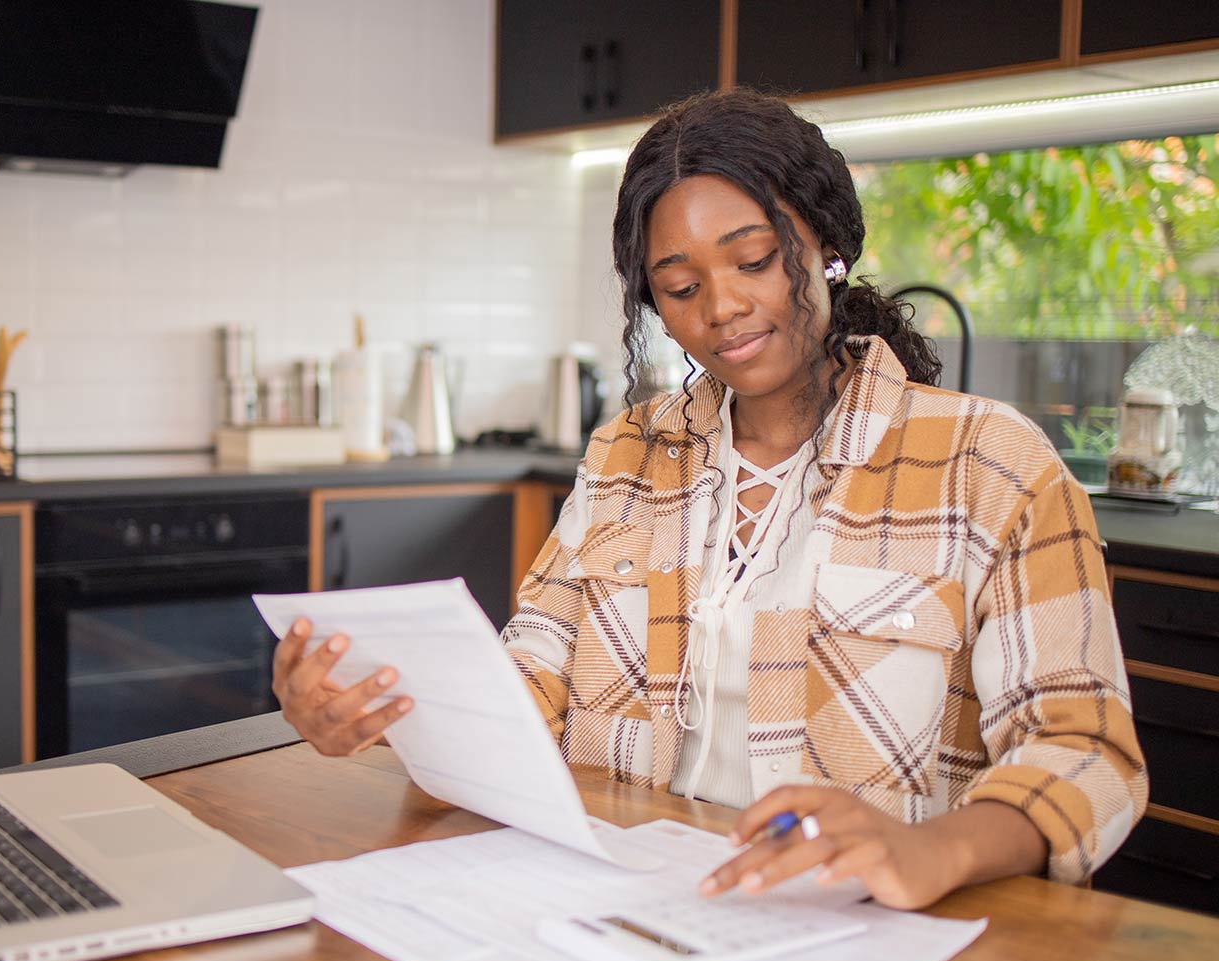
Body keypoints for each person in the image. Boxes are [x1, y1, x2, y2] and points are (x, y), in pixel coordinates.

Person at [271, 88, 1146, 910]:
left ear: (826, 246)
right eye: (681, 288)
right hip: (636, 904)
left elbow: (1085, 749)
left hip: (867, 931)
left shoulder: (990, 463)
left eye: (755, 260)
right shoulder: (627, 454)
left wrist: (935, 849)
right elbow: (528, 682)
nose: (722, 307)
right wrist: (371, 706)